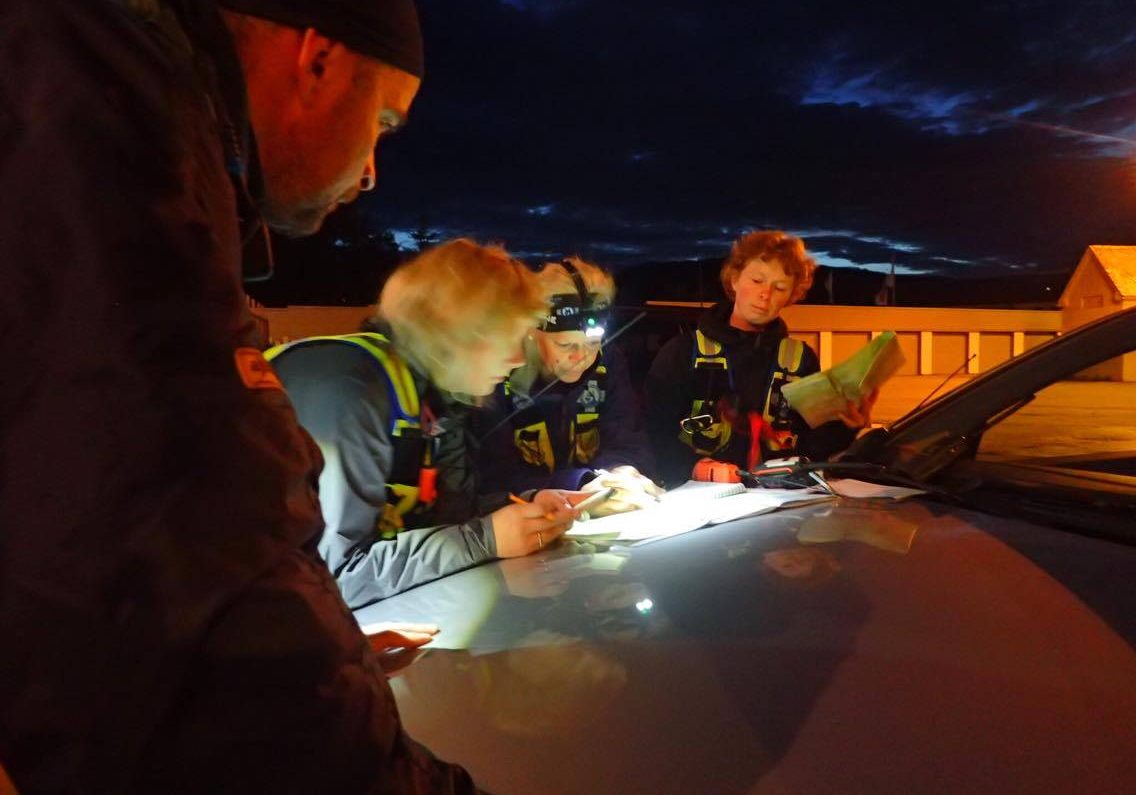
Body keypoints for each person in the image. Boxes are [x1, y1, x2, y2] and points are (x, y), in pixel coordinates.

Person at [0, 0, 481, 791]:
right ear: (318, 59)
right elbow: (207, 581)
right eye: (384, 121)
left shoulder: (105, 87)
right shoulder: (113, 128)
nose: (370, 169)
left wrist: (343, 649)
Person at [268, 239, 579, 609]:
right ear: (458, 333)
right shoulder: (348, 390)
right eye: (508, 338)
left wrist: (529, 508)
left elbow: (446, 515)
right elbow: (336, 576)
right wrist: (485, 538)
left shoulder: (430, 396)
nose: (516, 359)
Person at [645, 231, 876, 487]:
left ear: (791, 297)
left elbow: (814, 448)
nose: (765, 294)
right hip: (698, 499)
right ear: (734, 280)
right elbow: (651, 434)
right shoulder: (680, 352)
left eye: (779, 288)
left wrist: (847, 426)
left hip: (778, 500)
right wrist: (692, 467)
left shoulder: (802, 360)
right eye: (757, 280)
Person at [476, 258, 660, 514]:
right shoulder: (499, 374)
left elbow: (630, 441)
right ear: (532, 332)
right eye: (565, 345)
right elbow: (492, 478)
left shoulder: (609, 363)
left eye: (593, 344)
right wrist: (580, 485)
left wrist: (621, 472)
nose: (582, 357)